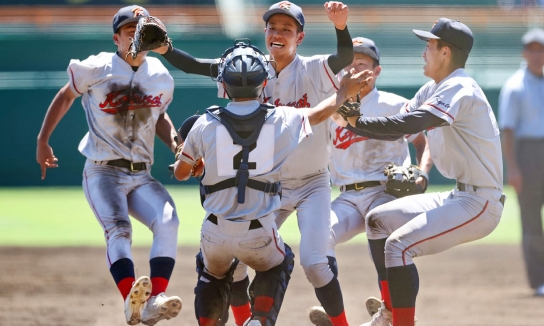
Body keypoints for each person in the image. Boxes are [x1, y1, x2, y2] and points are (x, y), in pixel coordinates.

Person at [173, 41, 371, 326]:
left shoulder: (204, 122)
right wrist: (342, 92)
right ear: (264, 82)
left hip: (214, 231)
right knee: (279, 262)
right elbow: (318, 114)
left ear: (223, 86)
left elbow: (181, 173)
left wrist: (194, 164)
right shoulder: (279, 119)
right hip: (258, 230)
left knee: (210, 275)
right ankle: (261, 319)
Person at [333, 18, 505, 326]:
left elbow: (408, 125)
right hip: (458, 195)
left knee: (398, 246)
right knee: (377, 221)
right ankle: (388, 315)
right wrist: (349, 105)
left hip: (481, 203)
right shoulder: (433, 88)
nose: (423, 52)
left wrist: (355, 122)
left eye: (429, 45)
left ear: (445, 53)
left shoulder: (461, 88)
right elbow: (393, 127)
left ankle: (400, 322)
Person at [36, 5, 183, 326]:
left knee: (169, 221)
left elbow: (160, 119)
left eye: (143, 29)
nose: (136, 34)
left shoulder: (160, 75)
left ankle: (153, 300)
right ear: (116, 37)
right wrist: (43, 139)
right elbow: (65, 95)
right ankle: (130, 299)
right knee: (119, 230)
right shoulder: (96, 67)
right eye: (130, 30)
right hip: (102, 171)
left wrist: (175, 144)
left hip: (141, 173)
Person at [307, 37, 433, 326]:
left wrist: (421, 172)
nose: (354, 70)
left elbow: (423, 143)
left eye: (362, 64)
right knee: (318, 237)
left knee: (382, 228)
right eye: (349, 65)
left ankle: (389, 311)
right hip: (347, 197)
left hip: (385, 191)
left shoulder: (395, 104)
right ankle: (342, 321)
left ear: (377, 71)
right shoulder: (329, 109)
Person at [499, 28, 544, 296]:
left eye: (541, 49)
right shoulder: (515, 86)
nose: (537, 54)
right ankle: (539, 279)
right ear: (524, 53)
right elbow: (508, 130)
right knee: (531, 221)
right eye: (533, 49)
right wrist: (513, 168)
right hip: (528, 154)